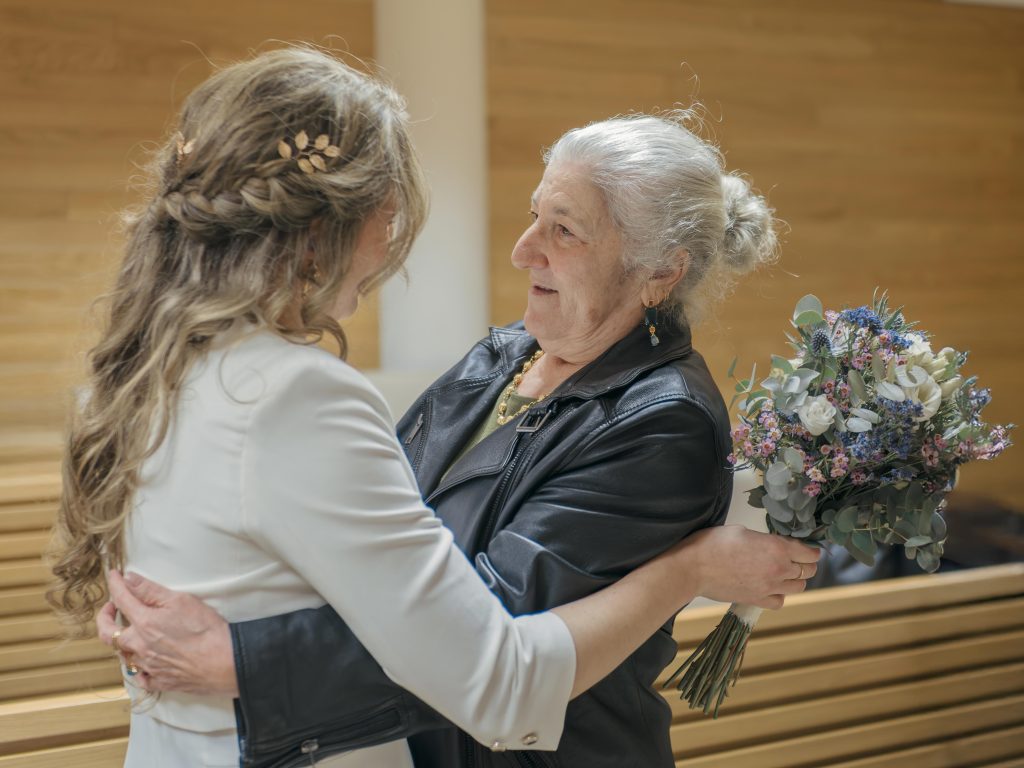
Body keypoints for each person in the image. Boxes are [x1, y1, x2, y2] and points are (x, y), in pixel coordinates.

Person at [88, 85, 820, 768]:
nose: (523, 248)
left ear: (659, 274)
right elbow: (385, 558)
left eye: (563, 231)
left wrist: (245, 658)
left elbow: (482, 635)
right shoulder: (504, 353)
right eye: (535, 215)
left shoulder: (663, 421)